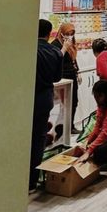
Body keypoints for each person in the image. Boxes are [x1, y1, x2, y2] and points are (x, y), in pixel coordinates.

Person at [30, 19, 65, 191]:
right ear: (50, 33)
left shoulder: (28, 49)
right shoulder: (56, 52)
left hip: (26, 97)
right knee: (38, 140)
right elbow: (57, 78)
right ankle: (32, 180)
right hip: (45, 98)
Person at [51, 22, 80, 134]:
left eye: (72, 33)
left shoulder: (71, 43)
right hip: (62, 76)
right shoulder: (56, 44)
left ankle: (70, 125)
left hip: (72, 74)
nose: (70, 36)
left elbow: (73, 59)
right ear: (62, 33)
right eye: (67, 33)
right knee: (63, 103)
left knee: (74, 101)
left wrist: (78, 71)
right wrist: (64, 48)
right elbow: (56, 60)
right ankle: (61, 128)